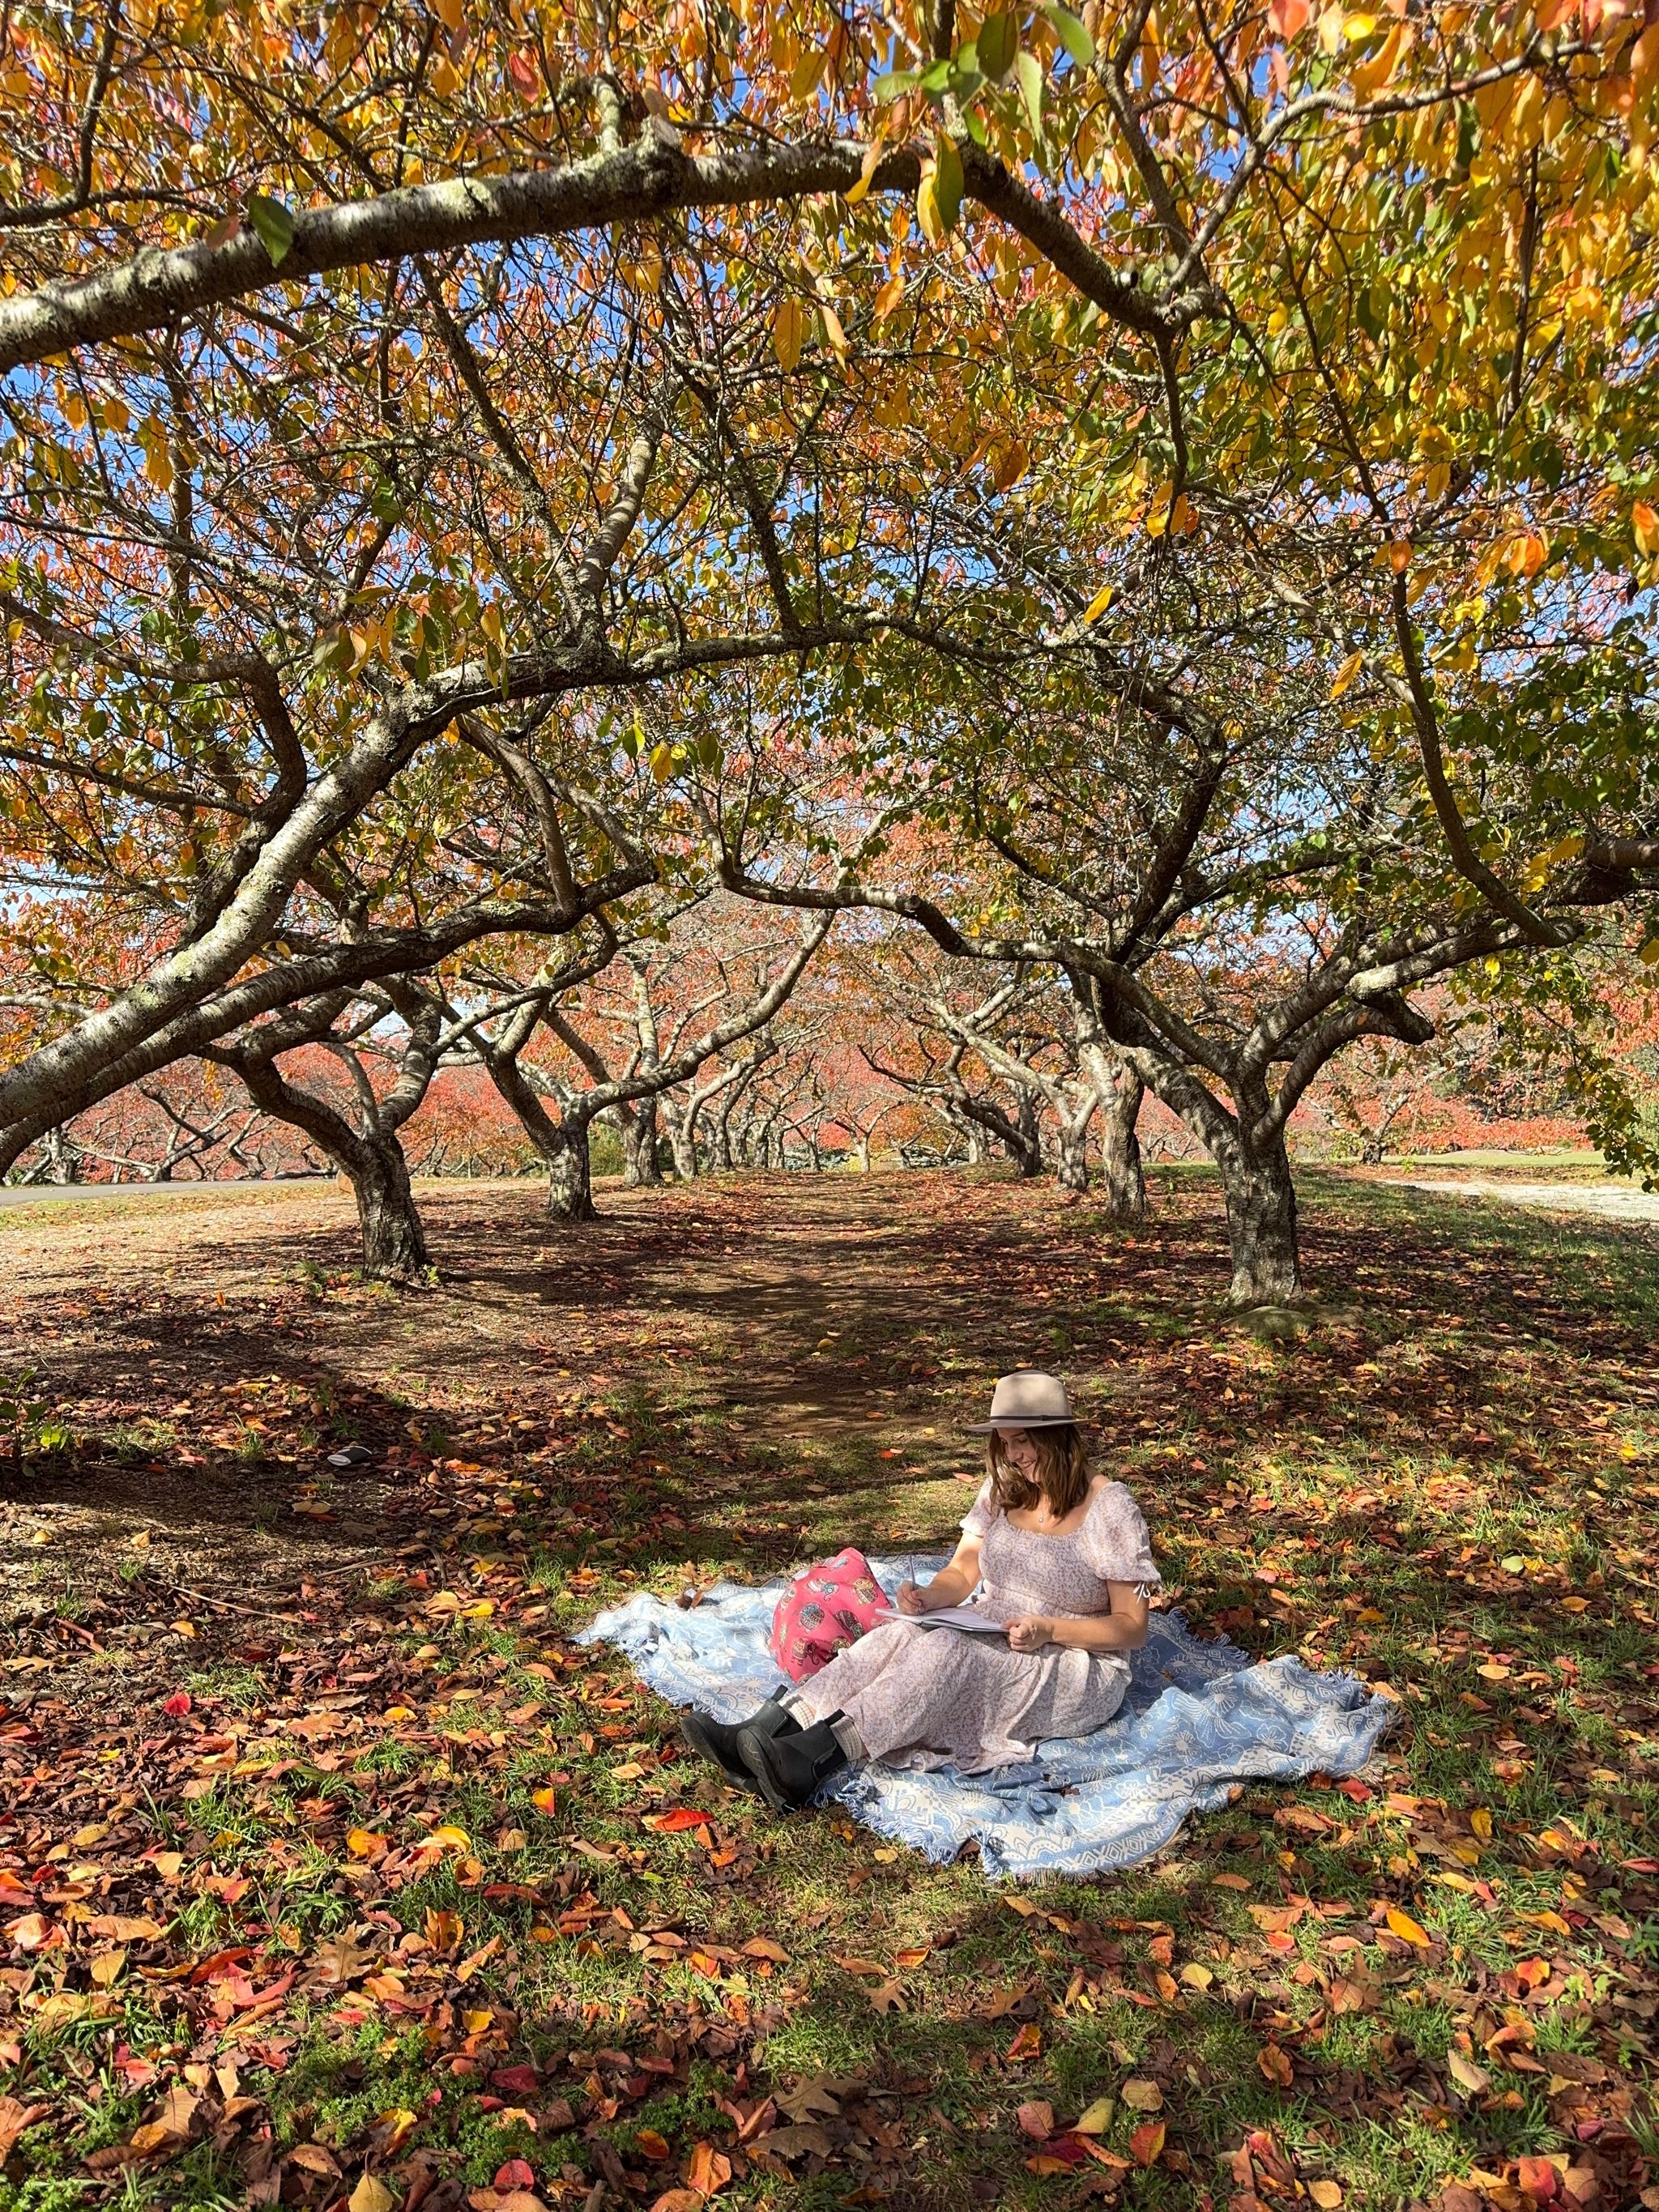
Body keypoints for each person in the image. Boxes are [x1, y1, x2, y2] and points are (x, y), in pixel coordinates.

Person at [681, 1370, 1159, 1812]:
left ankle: (813, 1759)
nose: (1014, 1454)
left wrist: (1048, 1628)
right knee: (898, 1637)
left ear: (1059, 1436)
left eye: (1024, 1441)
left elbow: (1131, 1628)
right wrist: (931, 1598)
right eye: (1006, 1442)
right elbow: (963, 1571)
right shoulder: (1005, 1488)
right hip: (994, 1624)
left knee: (949, 1651)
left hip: (1073, 1659)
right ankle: (771, 1728)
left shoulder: (1108, 1508)